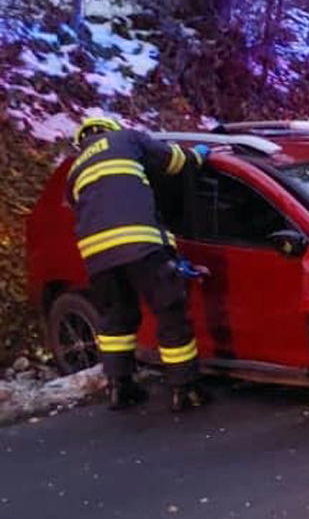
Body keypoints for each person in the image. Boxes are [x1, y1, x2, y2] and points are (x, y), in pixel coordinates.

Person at [67, 116, 210, 412]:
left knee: (116, 319)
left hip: (98, 256)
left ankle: (121, 388)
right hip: (141, 244)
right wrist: (198, 156)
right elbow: (173, 162)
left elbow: (81, 206)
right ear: (111, 128)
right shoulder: (128, 139)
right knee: (170, 313)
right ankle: (185, 389)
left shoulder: (75, 169)